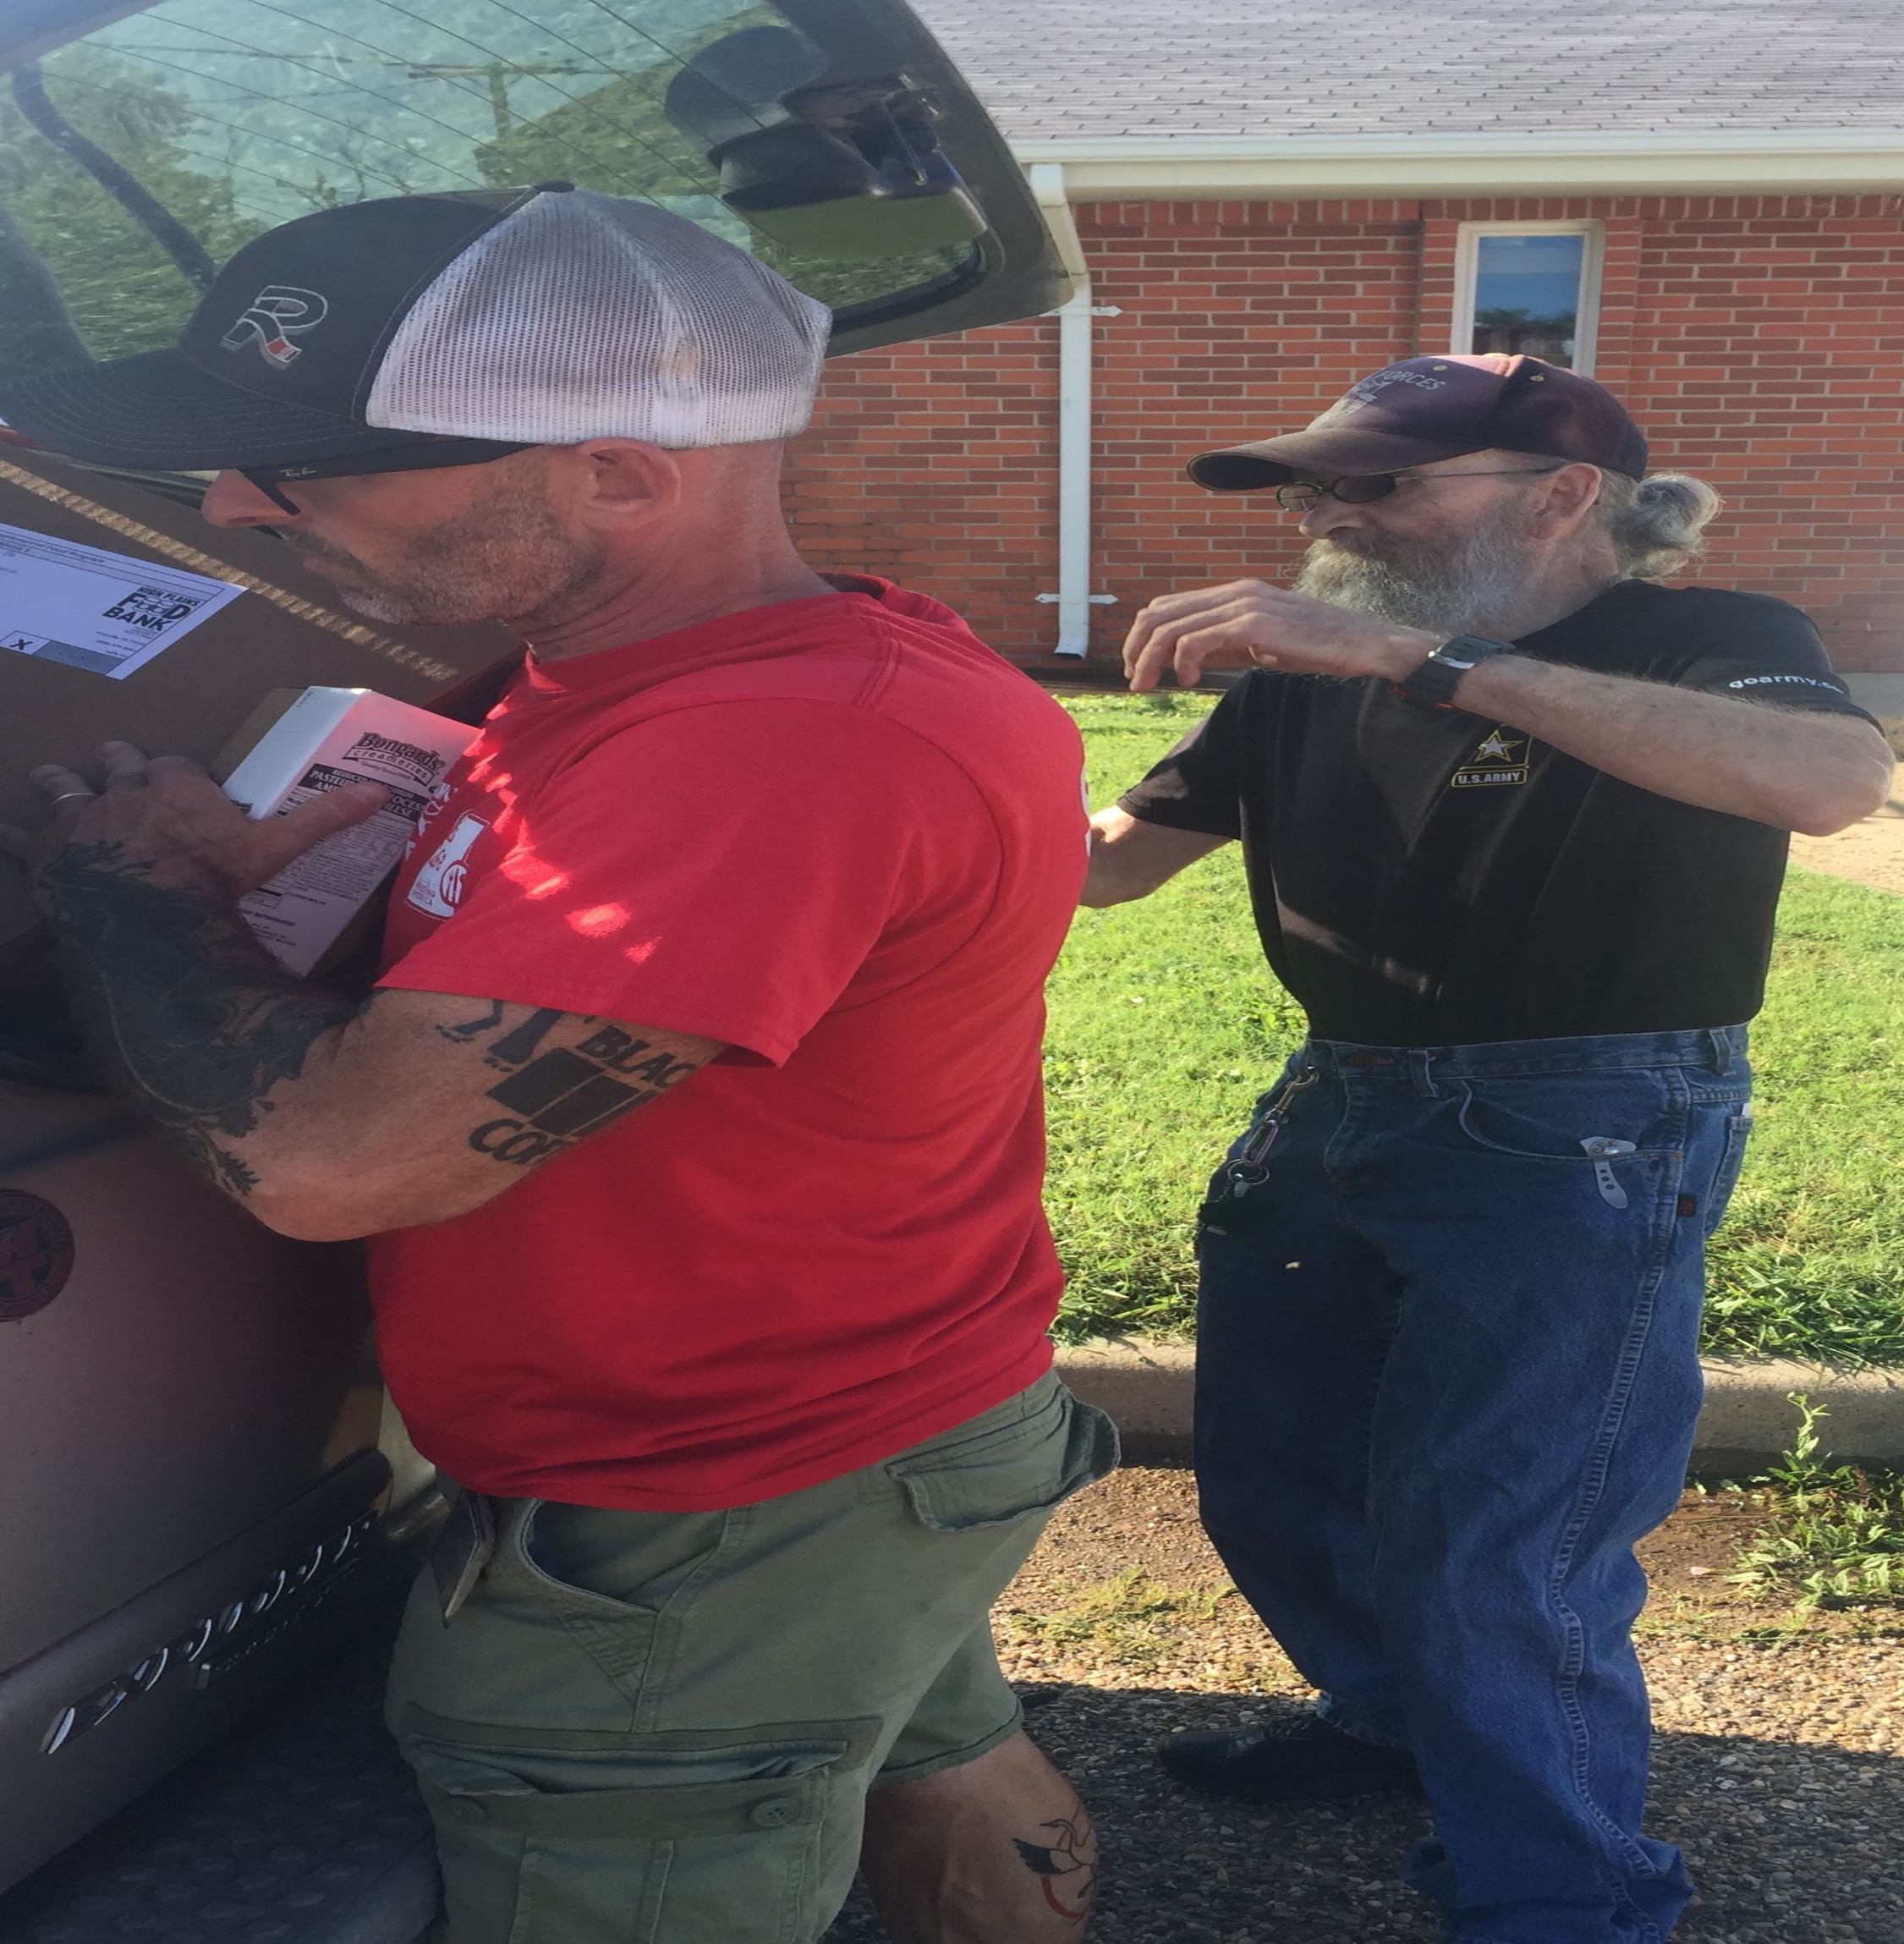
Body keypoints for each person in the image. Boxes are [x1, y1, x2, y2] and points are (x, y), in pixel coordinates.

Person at [0, 185, 1115, 1944]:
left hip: (710, 1510)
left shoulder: (769, 749)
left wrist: (127, 888)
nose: (230, 505)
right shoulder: (635, 675)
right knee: (910, 1746)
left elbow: (334, 1160)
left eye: (298, 465)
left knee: (660, 1846)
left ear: (618, 468)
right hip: (863, 1431)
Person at [1084, 353, 1893, 1944]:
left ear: (1563, 494)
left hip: (1586, 1116)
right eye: (1317, 487)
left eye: (1376, 485)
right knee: (1277, 1471)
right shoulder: (1299, 677)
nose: (1327, 515)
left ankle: (1564, 1895)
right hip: (1339, 1090)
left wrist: (1411, 656)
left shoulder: (1711, 637)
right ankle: (1392, 1722)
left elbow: (1829, 781)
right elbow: (1107, 868)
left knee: (1502, 1537)